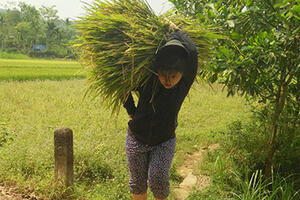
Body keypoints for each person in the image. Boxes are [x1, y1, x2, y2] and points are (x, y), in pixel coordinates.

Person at [123, 29, 198, 200]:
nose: (168, 80)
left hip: (164, 141)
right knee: (137, 182)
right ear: (157, 70)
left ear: (182, 74)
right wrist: (131, 111)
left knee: (158, 179)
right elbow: (122, 87)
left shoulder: (183, 84)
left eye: (173, 76)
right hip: (136, 137)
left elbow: (193, 52)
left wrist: (176, 31)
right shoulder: (147, 79)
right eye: (164, 75)